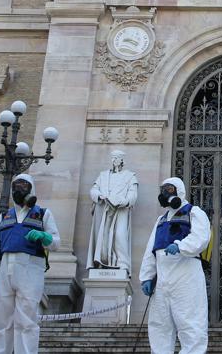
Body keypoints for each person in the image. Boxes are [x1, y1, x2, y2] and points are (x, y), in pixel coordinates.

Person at [0, 173, 60, 354]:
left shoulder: (42, 214)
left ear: (31, 188)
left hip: (31, 268)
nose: (20, 189)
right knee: (0, 320)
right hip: (5, 270)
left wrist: (43, 236)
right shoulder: (4, 217)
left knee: (27, 320)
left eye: (24, 185)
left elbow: (56, 242)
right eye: (17, 185)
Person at [140, 177, 211, 354]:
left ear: (179, 191)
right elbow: (151, 250)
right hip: (163, 279)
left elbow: (201, 238)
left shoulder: (194, 212)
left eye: (169, 189)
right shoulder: (161, 220)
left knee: (190, 323)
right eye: (163, 189)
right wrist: (147, 277)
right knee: (160, 325)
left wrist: (181, 246)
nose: (164, 193)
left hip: (185, 275)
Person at [87, 149, 139, 273]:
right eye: (112, 157)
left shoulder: (130, 176)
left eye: (116, 157)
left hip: (121, 210)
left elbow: (133, 194)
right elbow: (94, 190)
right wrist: (100, 196)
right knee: (103, 236)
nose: (114, 160)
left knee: (120, 235)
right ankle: (102, 262)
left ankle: (123, 264)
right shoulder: (103, 175)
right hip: (104, 208)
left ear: (122, 160)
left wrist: (125, 201)